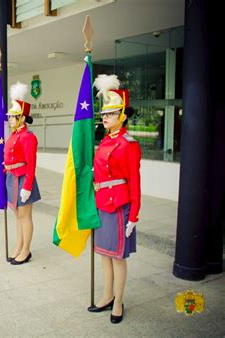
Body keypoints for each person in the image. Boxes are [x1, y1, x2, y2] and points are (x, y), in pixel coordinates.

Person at [88, 74, 141, 324]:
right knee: (104, 253)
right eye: (104, 114)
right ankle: (107, 294)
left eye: (110, 113)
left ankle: (118, 300)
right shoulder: (105, 140)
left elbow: (135, 183)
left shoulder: (128, 144)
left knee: (118, 256)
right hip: (102, 204)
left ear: (123, 115)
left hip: (119, 206)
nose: (105, 117)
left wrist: (134, 215)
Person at [4, 82, 41, 265]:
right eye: (10, 116)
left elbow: (31, 164)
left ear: (22, 118)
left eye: (13, 117)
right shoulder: (14, 135)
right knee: (17, 215)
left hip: (24, 179)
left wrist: (27, 186)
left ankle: (26, 250)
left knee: (25, 216)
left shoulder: (28, 137)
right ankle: (18, 246)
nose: (10, 119)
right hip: (13, 178)